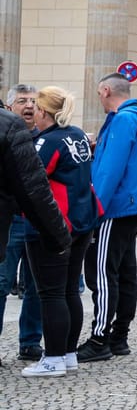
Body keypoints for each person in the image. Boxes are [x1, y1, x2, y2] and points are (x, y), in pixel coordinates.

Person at [78, 73, 137, 363]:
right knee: (124, 272)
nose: (99, 99)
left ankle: (100, 338)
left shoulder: (123, 120)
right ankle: (118, 335)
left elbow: (110, 170)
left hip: (115, 207)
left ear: (107, 90)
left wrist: (94, 207)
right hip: (132, 206)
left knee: (102, 272)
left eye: (99, 93)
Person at [18, 87, 83, 377]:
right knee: (69, 290)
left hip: (54, 224)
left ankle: (54, 357)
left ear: (44, 112)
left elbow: (31, 179)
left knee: (51, 294)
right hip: (82, 220)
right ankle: (68, 353)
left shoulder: (47, 141)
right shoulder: (77, 134)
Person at [3, 84, 44, 361]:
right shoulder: (4, 137)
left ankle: (30, 342)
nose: (29, 106)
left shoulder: (46, 139)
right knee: (2, 283)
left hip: (38, 220)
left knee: (36, 286)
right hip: (9, 221)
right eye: (22, 101)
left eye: (33, 101)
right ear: (9, 108)